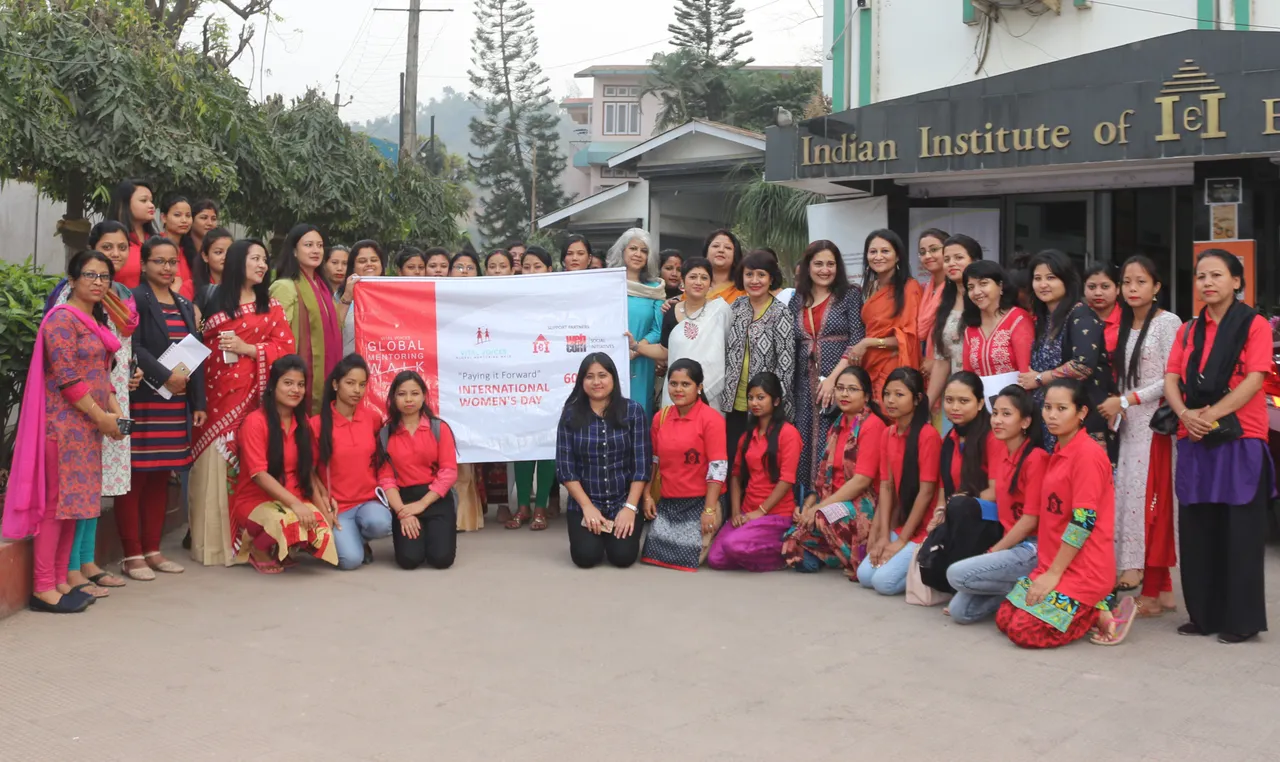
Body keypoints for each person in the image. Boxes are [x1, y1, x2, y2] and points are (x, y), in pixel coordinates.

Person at [4, 250, 125, 613]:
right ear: (71, 281)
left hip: (88, 428)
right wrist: (101, 416)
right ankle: (43, 587)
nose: (98, 282)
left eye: (104, 277)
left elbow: (102, 373)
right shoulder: (61, 320)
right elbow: (67, 377)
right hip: (62, 427)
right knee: (56, 506)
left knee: (75, 506)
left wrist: (114, 410)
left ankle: (60, 580)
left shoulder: (95, 320)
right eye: (90, 275)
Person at [1164, 248, 1273, 644]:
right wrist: (1184, 415)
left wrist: (1208, 416)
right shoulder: (1188, 330)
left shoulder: (1254, 324)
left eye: (1216, 275)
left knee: (1239, 531)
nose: (1207, 283)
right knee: (1198, 529)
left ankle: (1241, 620)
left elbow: (1255, 379)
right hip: (1194, 437)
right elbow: (1171, 377)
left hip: (1240, 436)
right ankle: (1203, 615)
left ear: (1236, 281)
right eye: (1201, 276)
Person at [997, 379, 1129, 648]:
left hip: (1084, 570)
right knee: (1004, 619)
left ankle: (1096, 610)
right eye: (1047, 407)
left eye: (1061, 408)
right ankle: (1092, 609)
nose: (1052, 415)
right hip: (1053, 564)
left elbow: (1083, 522)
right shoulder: (1060, 449)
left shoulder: (1087, 455)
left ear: (1081, 412)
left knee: (1023, 631)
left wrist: (1053, 574)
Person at [190, 239, 296, 566]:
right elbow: (195, 346)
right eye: (255, 259)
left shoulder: (271, 306)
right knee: (214, 470)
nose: (262, 265)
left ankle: (248, 545)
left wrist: (249, 349)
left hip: (254, 401)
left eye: (265, 260)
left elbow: (286, 350)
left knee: (251, 467)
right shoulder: (210, 299)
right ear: (238, 261)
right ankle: (214, 547)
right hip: (214, 399)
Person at [50, 223, 140, 594]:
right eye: (107, 246)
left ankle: (87, 562)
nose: (115, 254)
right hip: (80, 406)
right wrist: (100, 411)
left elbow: (117, 349)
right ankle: (72, 567)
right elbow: (66, 363)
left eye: (121, 247)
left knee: (97, 484)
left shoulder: (121, 295)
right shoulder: (70, 299)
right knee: (76, 489)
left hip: (113, 394)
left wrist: (130, 373)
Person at [117, 237, 206, 581]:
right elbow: (133, 346)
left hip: (175, 402)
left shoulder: (184, 303)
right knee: (136, 477)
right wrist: (165, 376)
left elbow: (194, 351)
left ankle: (153, 550)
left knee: (160, 476)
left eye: (172, 262)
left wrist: (198, 402)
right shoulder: (134, 298)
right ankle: (132, 554)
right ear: (143, 264)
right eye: (159, 261)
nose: (167, 268)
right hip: (144, 399)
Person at [1099, 256, 1182, 603]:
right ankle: (1159, 591)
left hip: (1156, 426)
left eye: (1141, 282)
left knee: (1152, 504)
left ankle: (1150, 584)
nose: (1132, 289)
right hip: (1130, 425)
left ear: (1157, 287)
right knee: (1130, 500)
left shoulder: (1168, 322)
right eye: (1127, 282)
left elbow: (1171, 378)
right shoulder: (1123, 325)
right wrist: (1120, 407)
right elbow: (1123, 378)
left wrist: (1126, 400)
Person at [947, 385, 1047, 624]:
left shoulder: (1036, 458)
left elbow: (1030, 520)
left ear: (1025, 422)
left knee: (956, 574)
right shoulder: (1002, 454)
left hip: (1033, 547)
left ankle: (1031, 585)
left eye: (1006, 414)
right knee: (960, 612)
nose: (997, 420)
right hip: (1011, 545)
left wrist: (995, 551)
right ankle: (1016, 591)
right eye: (995, 413)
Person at [231, 355, 338, 573]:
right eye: (288, 383)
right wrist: (296, 505)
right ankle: (257, 547)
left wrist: (323, 510)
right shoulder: (255, 422)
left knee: (321, 529)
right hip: (256, 501)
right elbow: (259, 475)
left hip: (294, 497)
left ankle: (281, 546)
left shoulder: (302, 421)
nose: (295, 390)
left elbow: (307, 472)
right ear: (273, 386)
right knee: (290, 520)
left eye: (300, 384)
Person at [781, 365, 885, 579]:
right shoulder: (837, 424)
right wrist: (808, 506)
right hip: (831, 502)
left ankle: (857, 559)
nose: (844, 394)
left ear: (866, 396)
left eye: (852, 389)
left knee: (822, 516)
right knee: (792, 541)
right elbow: (824, 478)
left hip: (861, 504)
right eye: (840, 388)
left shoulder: (872, 425)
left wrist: (818, 508)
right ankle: (835, 554)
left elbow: (861, 481)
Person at [555, 353, 651, 569]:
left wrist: (630, 508)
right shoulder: (570, 414)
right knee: (586, 557)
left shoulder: (633, 411)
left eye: (602, 375)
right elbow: (566, 469)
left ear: (613, 378)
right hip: (585, 503)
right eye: (589, 377)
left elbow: (641, 466)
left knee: (623, 557)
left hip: (622, 501)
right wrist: (587, 507)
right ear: (581, 381)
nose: (596, 382)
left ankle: (615, 532)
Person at [1019, 249, 1113, 454]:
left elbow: (1082, 366)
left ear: (1067, 279)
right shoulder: (1044, 319)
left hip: (1080, 417)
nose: (1043, 284)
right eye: (1037, 278)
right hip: (1047, 418)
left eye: (1051, 277)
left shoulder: (1082, 315)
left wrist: (1040, 378)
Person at [790, 240, 865, 490]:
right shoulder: (797, 299)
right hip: (803, 385)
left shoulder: (850, 295)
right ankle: (804, 501)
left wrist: (834, 380)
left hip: (839, 381)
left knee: (833, 440)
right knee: (803, 442)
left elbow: (856, 340)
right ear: (808, 266)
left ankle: (829, 499)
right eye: (818, 264)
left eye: (830, 264)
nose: (825, 270)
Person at [858, 367, 939, 595]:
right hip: (903, 524)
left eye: (899, 394)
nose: (890, 400)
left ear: (917, 399)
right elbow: (886, 487)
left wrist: (901, 541)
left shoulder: (928, 435)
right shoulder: (888, 433)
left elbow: (926, 493)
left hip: (925, 528)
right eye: (887, 394)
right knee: (865, 576)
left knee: (883, 583)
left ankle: (930, 573)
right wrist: (884, 536)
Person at [707, 372, 800, 571]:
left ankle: (781, 553)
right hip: (747, 511)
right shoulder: (748, 436)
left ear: (776, 401)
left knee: (732, 546)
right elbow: (736, 476)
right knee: (715, 559)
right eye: (750, 398)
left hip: (776, 514)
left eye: (760, 397)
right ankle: (751, 548)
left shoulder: (789, 433)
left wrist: (761, 511)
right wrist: (735, 512)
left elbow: (787, 480)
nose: (754, 403)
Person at [641, 359, 727, 571]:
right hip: (669, 501)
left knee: (687, 556)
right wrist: (647, 495)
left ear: (699, 387)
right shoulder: (661, 418)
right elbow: (653, 460)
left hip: (702, 501)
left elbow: (718, 467)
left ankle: (718, 526)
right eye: (673, 383)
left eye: (685, 384)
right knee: (652, 555)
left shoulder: (711, 419)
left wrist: (709, 510)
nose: (678, 389)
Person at [311, 355, 393, 570]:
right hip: (338, 507)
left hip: (368, 502)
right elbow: (309, 472)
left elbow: (382, 461)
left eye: (362, 384)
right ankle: (349, 541)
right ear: (335, 384)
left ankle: (357, 538)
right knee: (350, 561)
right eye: (350, 383)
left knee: (382, 524)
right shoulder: (317, 425)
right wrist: (323, 504)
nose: (357, 390)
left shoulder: (372, 419)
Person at [720, 250, 796, 476]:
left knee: (758, 467)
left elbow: (786, 364)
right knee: (732, 461)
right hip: (733, 402)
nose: (755, 280)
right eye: (749, 274)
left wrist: (774, 402)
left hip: (765, 406)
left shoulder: (781, 312)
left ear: (771, 278)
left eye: (761, 275)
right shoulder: (736, 306)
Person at [376, 371, 459, 570]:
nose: (408, 399)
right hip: (404, 500)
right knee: (409, 560)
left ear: (423, 396)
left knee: (441, 559)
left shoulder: (439, 428)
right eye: (402, 394)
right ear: (393, 398)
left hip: (435, 498)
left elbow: (448, 472)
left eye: (414, 393)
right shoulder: (386, 434)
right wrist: (402, 512)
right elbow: (386, 479)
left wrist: (422, 504)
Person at [507, 246, 559, 530]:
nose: (530, 271)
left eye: (537, 266)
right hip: (520, 381)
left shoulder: (561, 300)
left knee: (547, 444)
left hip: (553, 381)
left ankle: (541, 507)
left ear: (549, 270)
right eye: (526, 266)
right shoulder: (512, 299)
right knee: (523, 444)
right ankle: (523, 507)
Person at [270, 223, 342, 415]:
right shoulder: (285, 287)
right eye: (308, 245)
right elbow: (276, 337)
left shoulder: (324, 288)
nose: (316, 250)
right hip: (295, 378)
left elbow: (336, 330)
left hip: (326, 376)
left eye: (319, 245)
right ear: (294, 251)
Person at [853, 229, 921, 403]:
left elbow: (908, 338)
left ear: (897, 257)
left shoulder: (909, 288)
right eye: (873, 252)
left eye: (885, 251)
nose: (878, 257)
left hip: (893, 368)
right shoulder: (870, 287)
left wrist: (868, 343)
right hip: (869, 365)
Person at [659, 257, 732, 408]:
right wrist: (636, 346)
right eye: (693, 277)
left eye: (704, 278)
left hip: (712, 389)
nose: (698, 282)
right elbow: (664, 350)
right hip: (677, 387)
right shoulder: (670, 311)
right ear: (683, 281)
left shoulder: (721, 311)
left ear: (710, 283)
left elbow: (728, 348)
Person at [612, 228, 666, 418]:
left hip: (642, 360)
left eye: (644, 251)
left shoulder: (655, 288)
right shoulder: (608, 284)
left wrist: (636, 349)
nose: (638, 254)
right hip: (610, 357)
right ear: (622, 252)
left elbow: (657, 329)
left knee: (638, 410)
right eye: (633, 248)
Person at [924, 234, 976, 413]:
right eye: (947, 259)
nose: (951, 264)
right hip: (956, 398)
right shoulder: (945, 303)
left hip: (982, 394)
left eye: (959, 258)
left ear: (975, 261)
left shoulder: (984, 300)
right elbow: (942, 361)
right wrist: (926, 406)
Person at [961, 260, 1034, 376]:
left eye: (983, 284)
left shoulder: (1018, 319)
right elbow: (967, 376)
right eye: (971, 287)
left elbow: (1026, 371)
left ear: (1000, 285)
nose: (976, 292)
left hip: (1017, 387)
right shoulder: (971, 329)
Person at [105, 178, 157, 291]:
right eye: (144, 200)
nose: (151, 205)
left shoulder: (157, 241)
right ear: (125, 204)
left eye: (151, 201)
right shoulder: (109, 242)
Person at [337, 239, 386, 356]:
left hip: (385, 362)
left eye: (374, 260)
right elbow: (332, 329)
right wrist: (347, 296)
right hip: (350, 362)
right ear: (353, 267)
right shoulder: (340, 296)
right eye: (362, 261)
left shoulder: (393, 294)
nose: (369, 264)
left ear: (381, 265)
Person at [916, 228, 949, 356]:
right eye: (922, 252)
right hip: (924, 358)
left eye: (934, 249)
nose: (928, 256)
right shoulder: (923, 289)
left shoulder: (957, 288)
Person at [158, 195, 197, 299]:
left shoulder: (189, 250)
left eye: (188, 216)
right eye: (177, 215)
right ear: (164, 218)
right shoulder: (156, 247)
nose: (184, 220)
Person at [192, 227, 233, 315]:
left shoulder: (243, 287)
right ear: (205, 256)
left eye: (230, 252)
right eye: (218, 252)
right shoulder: (190, 287)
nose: (225, 257)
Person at [699, 229, 746, 304]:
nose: (721, 250)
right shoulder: (694, 286)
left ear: (735, 256)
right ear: (706, 253)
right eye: (715, 246)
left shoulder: (743, 290)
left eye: (728, 247)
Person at [1084, 263, 1121, 355]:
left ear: (1118, 289)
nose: (1098, 293)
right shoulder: (1075, 318)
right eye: (1091, 287)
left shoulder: (1128, 319)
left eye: (1105, 287)